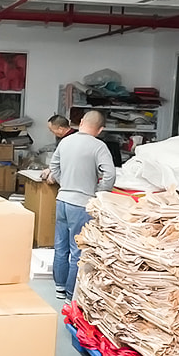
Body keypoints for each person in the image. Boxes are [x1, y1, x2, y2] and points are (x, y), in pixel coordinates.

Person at [47, 110, 115, 302]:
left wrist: (64, 183)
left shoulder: (65, 142)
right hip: (81, 204)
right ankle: (71, 294)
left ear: (82, 122)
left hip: (62, 200)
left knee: (61, 247)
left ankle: (59, 287)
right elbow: (110, 174)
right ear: (100, 129)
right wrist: (98, 192)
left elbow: (54, 167)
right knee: (78, 250)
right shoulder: (99, 146)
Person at [41, 114, 76, 180]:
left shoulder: (74, 139)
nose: (52, 132)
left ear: (60, 129)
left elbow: (69, 160)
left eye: (51, 130)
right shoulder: (60, 138)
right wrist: (50, 169)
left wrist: (55, 174)